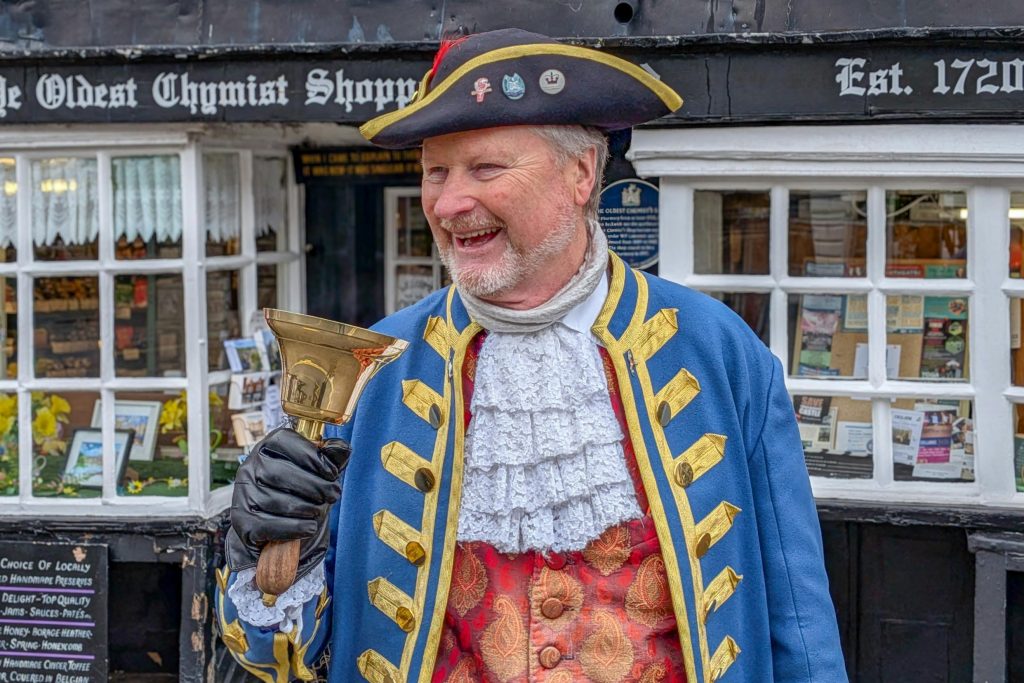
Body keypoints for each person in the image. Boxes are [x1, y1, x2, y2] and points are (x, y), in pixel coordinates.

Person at [215, 28, 847, 683]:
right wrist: (271, 552)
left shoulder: (718, 352)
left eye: (485, 168)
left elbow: (799, 625)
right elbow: (283, 661)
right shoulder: (376, 369)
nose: (449, 202)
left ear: (581, 173)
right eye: (436, 171)